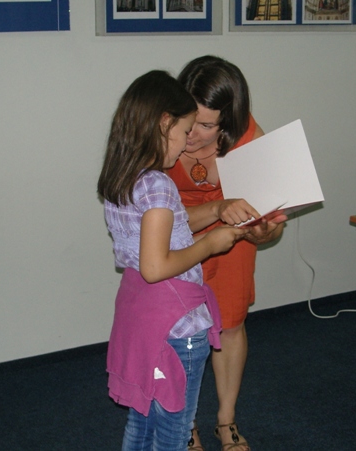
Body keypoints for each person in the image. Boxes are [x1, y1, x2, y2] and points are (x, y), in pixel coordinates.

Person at [98, 70, 248, 451]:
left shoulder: (122, 176)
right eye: (184, 131)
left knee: (142, 417)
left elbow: (166, 228)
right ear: (164, 124)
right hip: (177, 324)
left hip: (141, 317)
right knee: (174, 429)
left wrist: (216, 209)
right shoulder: (159, 185)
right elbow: (156, 266)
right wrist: (210, 244)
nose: (185, 144)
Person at [167, 55, 286, 451]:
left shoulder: (248, 136)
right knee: (179, 331)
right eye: (189, 121)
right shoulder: (160, 129)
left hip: (232, 233)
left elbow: (271, 222)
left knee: (231, 324)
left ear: (229, 121)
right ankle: (184, 425)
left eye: (207, 126)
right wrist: (215, 209)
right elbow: (152, 215)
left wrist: (263, 231)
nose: (192, 135)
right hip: (176, 230)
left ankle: (226, 420)